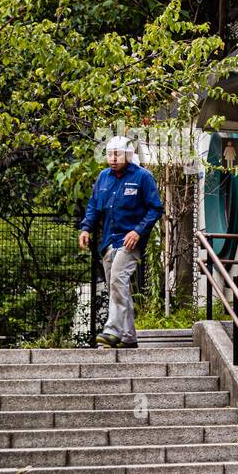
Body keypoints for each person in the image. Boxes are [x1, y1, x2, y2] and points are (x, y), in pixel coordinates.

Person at [78, 136, 163, 348]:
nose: (113, 159)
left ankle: (112, 330)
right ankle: (128, 337)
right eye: (109, 154)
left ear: (127, 154)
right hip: (108, 242)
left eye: (117, 154)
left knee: (117, 280)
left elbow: (155, 208)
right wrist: (86, 228)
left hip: (130, 243)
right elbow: (93, 206)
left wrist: (138, 231)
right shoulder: (103, 178)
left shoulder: (143, 177)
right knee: (117, 286)